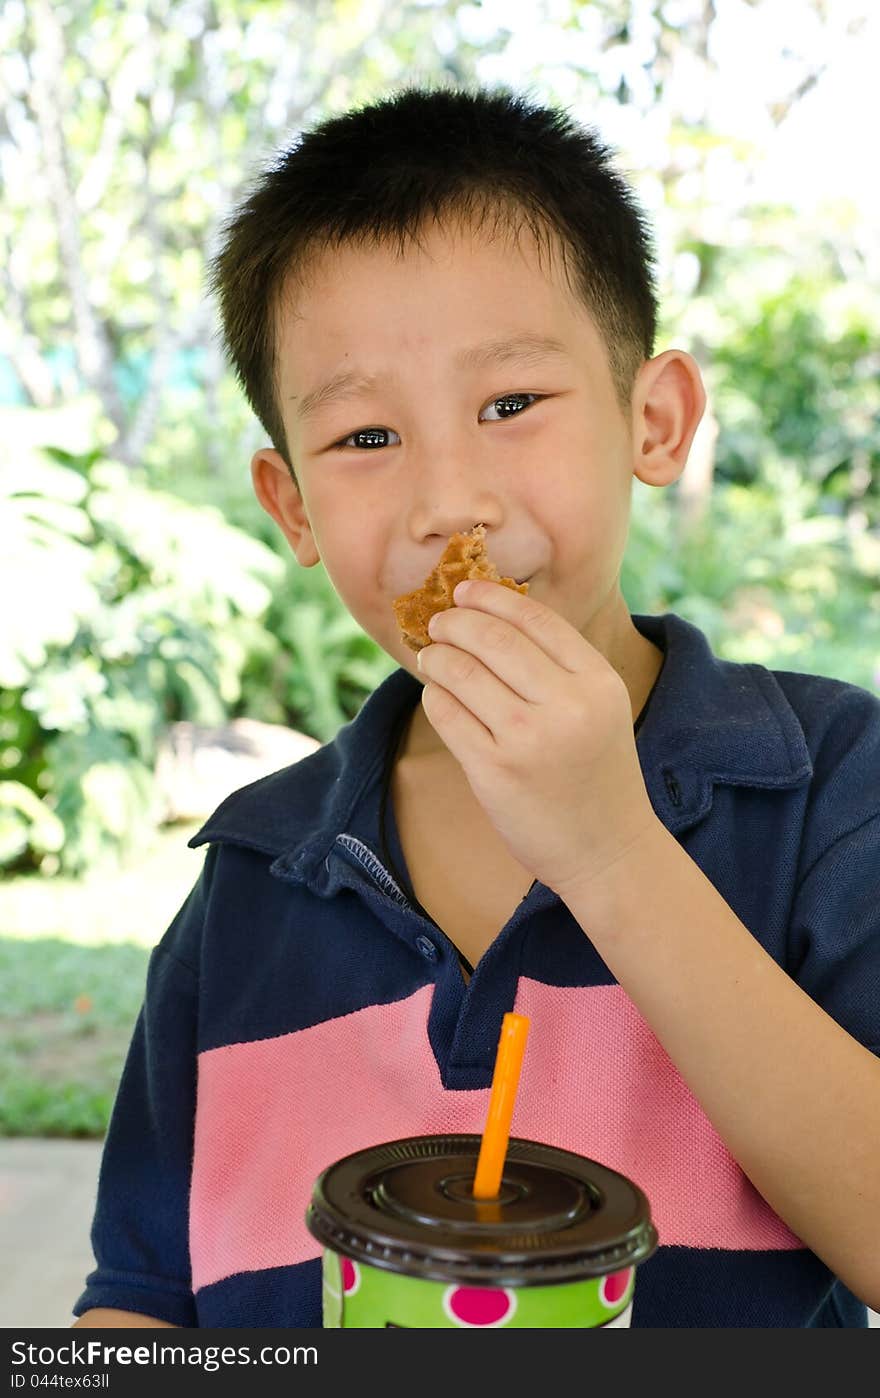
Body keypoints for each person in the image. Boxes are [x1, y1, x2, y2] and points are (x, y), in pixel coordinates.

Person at [71, 84, 880, 1329]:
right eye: (365, 437)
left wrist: (609, 850)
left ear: (651, 422)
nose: (450, 501)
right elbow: (143, 1303)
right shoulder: (251, 873)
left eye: (510, 406)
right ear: (290, 509)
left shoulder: (825, 783)